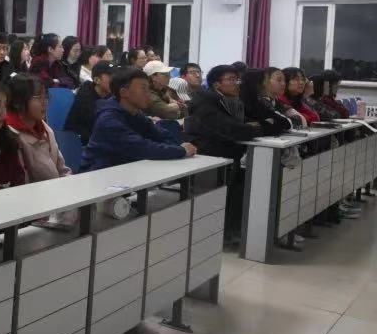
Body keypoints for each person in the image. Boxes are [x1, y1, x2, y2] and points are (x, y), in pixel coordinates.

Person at [184, 64, 263, 241]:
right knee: (232, 189)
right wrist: (252, 128)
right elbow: (234, 129)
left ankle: (232, 229)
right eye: (231, 80)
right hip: (209, 156)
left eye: (237, 79)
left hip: (228, 152)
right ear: (216, 84)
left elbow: (245, 125)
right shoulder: (205, 103)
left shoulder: (231, 102)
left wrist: (250, 128)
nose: (237, 83)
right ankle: (223, 232)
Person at [81, 68, 196, 172]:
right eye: (143, 89)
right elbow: (143, 148)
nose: (148, 94)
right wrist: (181, 150)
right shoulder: (108, 120)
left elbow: (160, 135)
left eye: (148, 89)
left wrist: (180, 145)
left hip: (125, 173)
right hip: (97, 176)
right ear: (123, 92)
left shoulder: (136, 113)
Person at [7, 73, 73, 228]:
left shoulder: (45, 129)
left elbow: (62, 170)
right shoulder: (11, 136)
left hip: (54, 206)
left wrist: (71, 194)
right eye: (38, 97)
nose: (45, 103)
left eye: (46, 97)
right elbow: (23, 188)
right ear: (18, 102)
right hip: (31, 216)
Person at [65, 61, 115, 145]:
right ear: (97, 80)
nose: (114, 80)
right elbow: (95, 122)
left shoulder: (111, 96)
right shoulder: (85, 95)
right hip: (77, 142)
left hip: (96, 140)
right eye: (110, 76)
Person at [239, 68, 294, 137]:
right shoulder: (240, 103)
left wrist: (264, 124)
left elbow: (286, 123)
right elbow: (245, 129)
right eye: (266, 82)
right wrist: (266, 124)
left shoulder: (257, 103)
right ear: (255, 84)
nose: (267, 85)